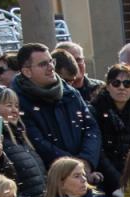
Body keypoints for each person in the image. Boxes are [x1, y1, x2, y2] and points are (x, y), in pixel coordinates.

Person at [12, 43, 102, 183]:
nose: (51, 67)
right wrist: (73, 166)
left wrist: (86, 160)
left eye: (51, 61)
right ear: (27, 72)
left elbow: (91, 128)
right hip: (52, 180)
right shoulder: (17, 101)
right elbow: (37, 142)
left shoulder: (70, 93)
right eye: (43, 64)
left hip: (84, 174)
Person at [90, 63, 130, 195]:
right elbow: (98, 151)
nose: (122, 87)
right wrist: (119, 180)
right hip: (106, 177)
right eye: (116, 83)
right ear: (107, 85)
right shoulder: (96, 110)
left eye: (127, 83)